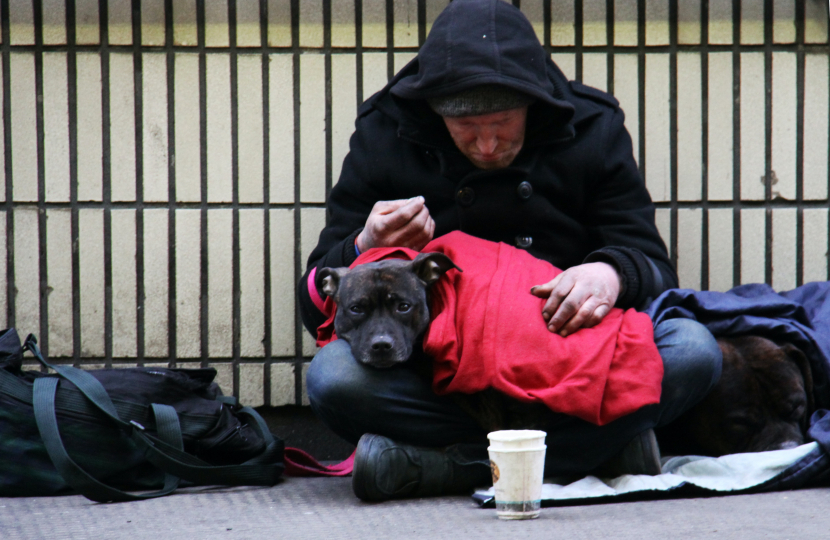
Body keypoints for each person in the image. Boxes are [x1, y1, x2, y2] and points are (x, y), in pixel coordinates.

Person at [298, 0, 722, 501]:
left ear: (531, 102)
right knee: (333, 378)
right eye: (465, 128)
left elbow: (651, 265)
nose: (486, 146)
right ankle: (593, 452)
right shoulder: (385, 131)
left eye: (502, 123)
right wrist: (366, 243)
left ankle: (440, 468)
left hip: (564, 358)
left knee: (694, 350)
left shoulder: (592, 125)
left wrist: (609, 274)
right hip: (441, 375)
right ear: (435, 113)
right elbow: (316, 302)